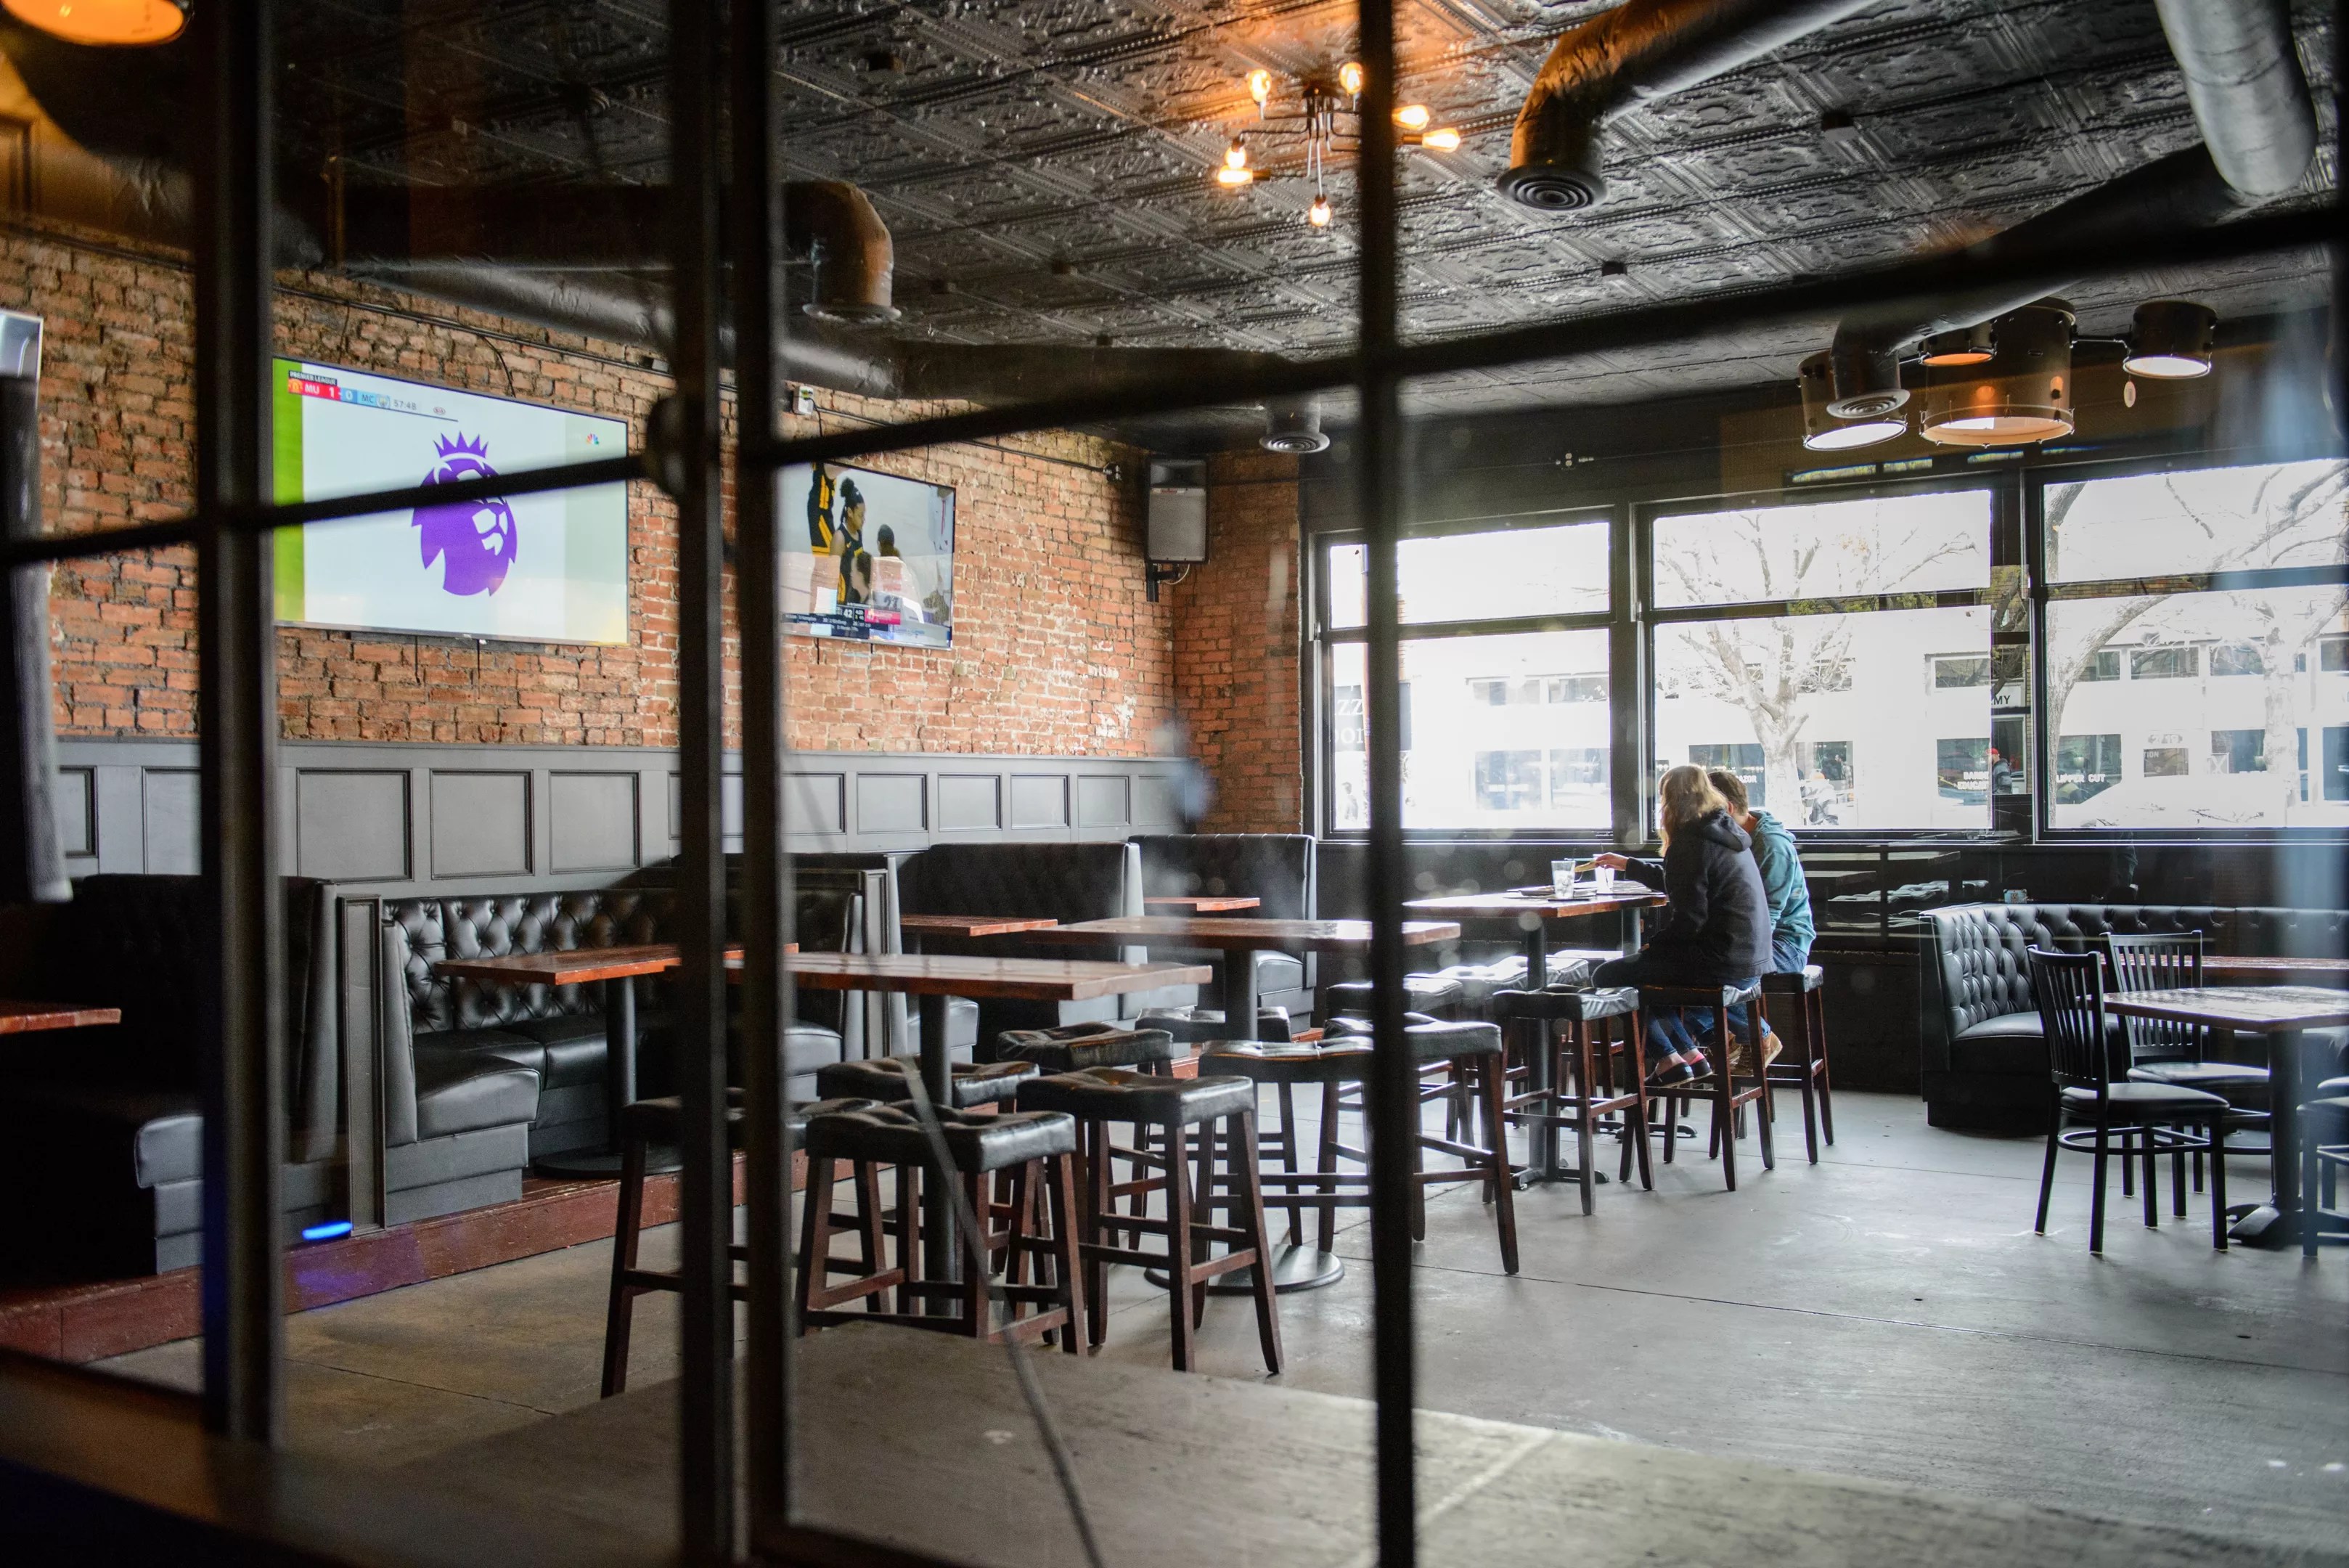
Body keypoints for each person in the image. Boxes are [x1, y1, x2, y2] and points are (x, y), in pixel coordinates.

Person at [1592, 765, 1774, 1085]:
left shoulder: (1688, 843)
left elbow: (1690, 921)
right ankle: (1687, 1057)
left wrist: (1655, 947)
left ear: (1670, 802)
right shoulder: (1725, 834)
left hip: (1720, 962)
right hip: (1751, 960)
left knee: (1609, 975)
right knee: (1645, 978)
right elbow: (1688, 883)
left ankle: (1671, 1058)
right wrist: (1630, 866)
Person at [1705, 768, 1813, 976]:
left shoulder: (1771, 845)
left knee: (1715, 972)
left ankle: (1725, 1008)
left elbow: (1767, 918)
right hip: (1751, 938)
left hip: (1785, 944)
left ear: (1727, 809)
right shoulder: (1731, 839)